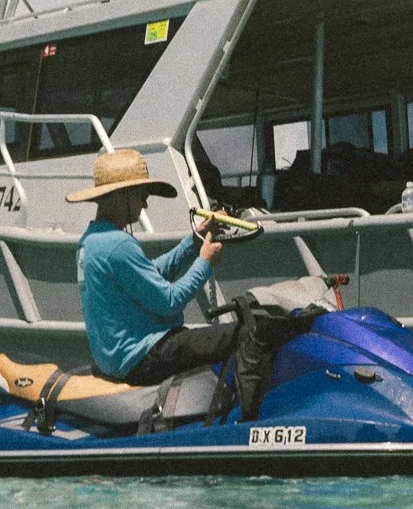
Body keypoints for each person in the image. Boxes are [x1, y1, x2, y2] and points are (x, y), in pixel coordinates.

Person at [70, 149, 298, 419]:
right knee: (250, 332)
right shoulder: (118, 244)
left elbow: (151, 272)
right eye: (142, 194)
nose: (145, 204)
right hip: (143, 358)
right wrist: (205, 261)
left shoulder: (91, 240)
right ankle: (250, 419)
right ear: (123, 195)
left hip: (119, 360)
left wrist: (193, 243)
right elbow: (170, 302)